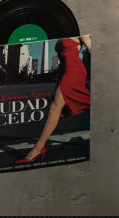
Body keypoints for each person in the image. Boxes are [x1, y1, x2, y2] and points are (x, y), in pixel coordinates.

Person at [17, 36, 92, 164]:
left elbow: (93, 50)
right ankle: (39, 148)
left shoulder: (81, 32)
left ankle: (38, 148)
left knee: (54, 108)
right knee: (60, 107)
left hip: (73, 73)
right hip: (65, 73)